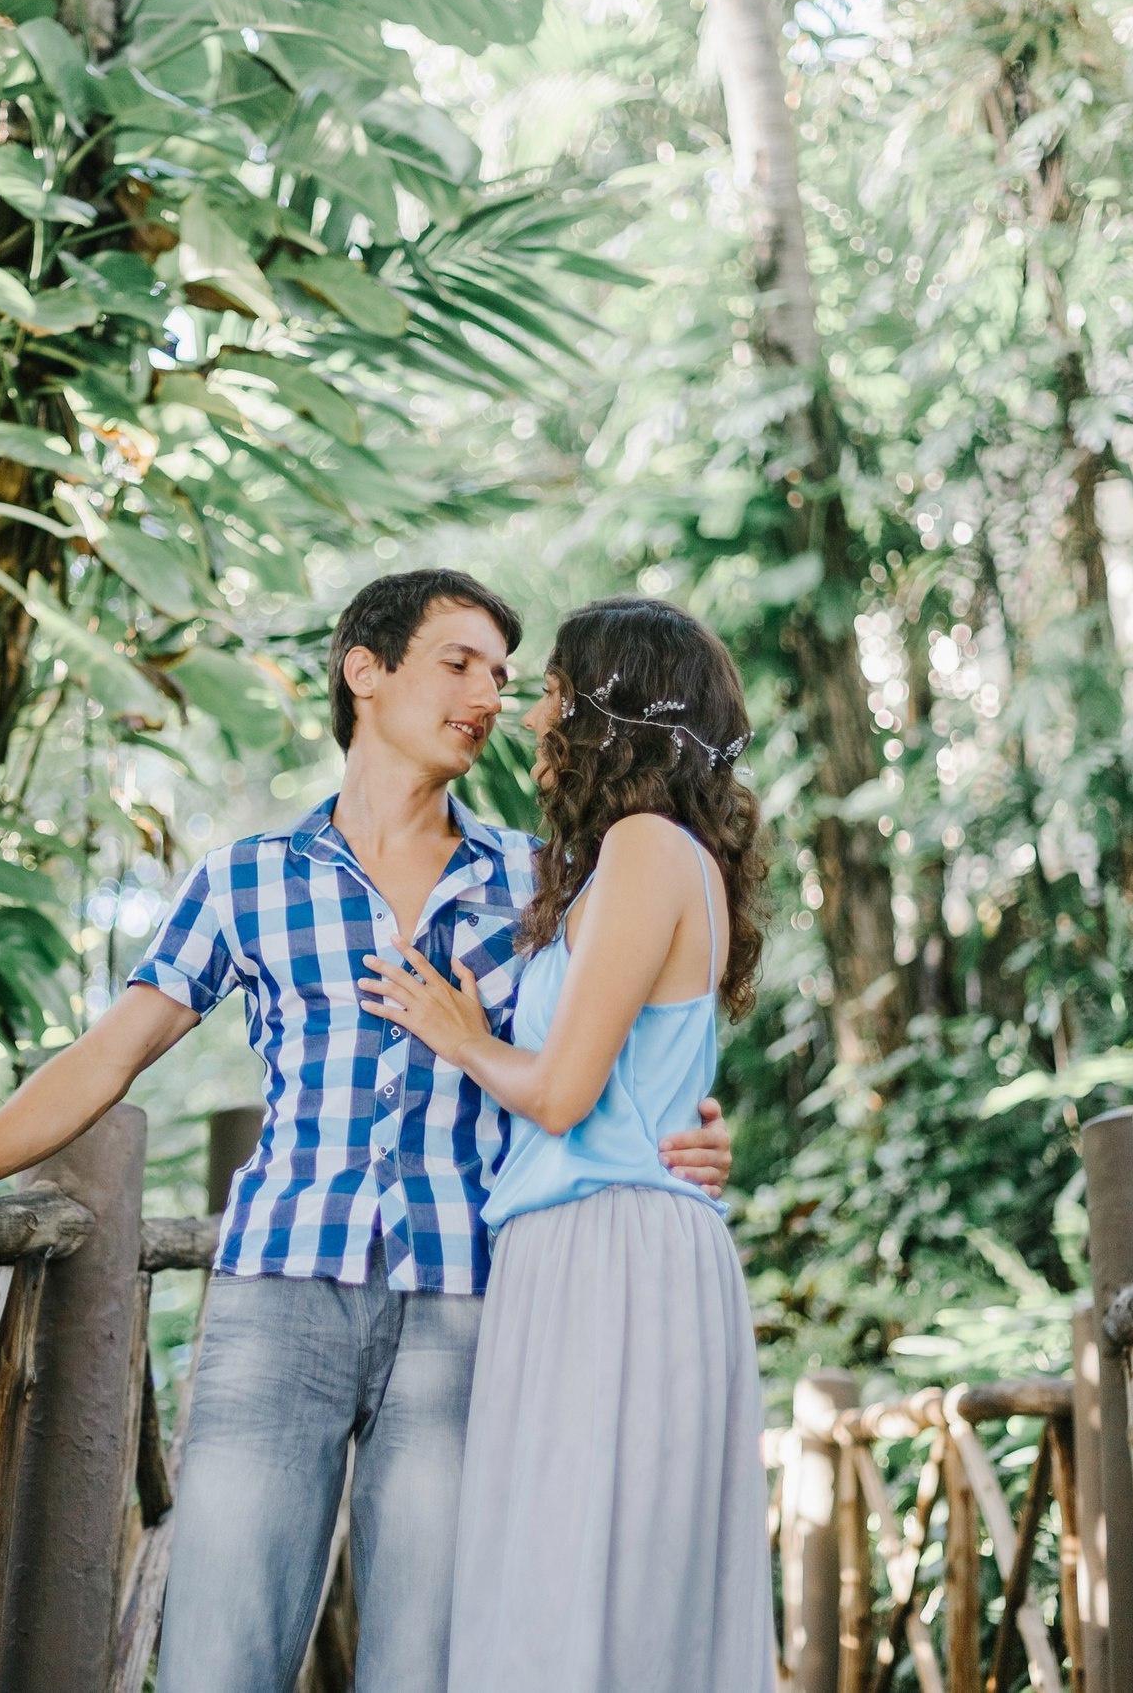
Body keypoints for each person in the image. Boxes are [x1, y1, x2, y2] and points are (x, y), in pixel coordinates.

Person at [0, 569, 740, 1692]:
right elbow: (109, 1055)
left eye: (504, 676)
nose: (489, 697)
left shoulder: (543, 878)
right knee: (219, 1654)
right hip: (279, 1292)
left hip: (472, 1306)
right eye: (458, 664)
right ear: (366, 671)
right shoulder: (247, 882)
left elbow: (631, 1029)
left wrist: (687, 1127)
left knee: (433, 1665)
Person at [359, 594, 775, 1693]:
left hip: (612, 1258)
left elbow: (560, 1094)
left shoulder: (645, 849)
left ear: (608, 710)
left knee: (583, 1583)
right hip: (586, 1246)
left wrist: (457, 1035)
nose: (528, 714)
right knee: (573, 1581)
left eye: (548, 689)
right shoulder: (624, 862)